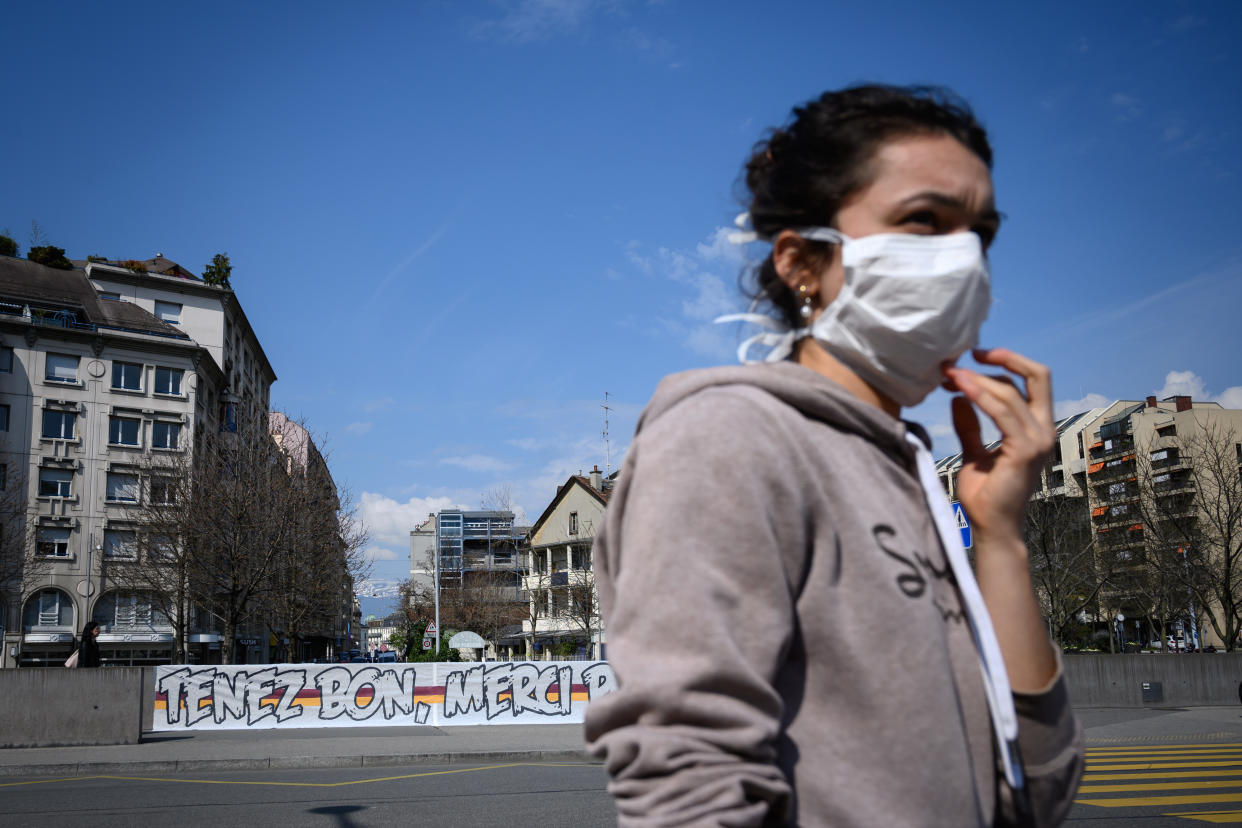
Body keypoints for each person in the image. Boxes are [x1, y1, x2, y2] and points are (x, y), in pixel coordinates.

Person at [583, 85, 1084, 826]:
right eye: (923, 221)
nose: (962, 261)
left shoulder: (908, 471)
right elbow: (687, 785)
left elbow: (1037, 791)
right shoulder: (730, 435)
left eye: (979, 234)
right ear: (802, 264)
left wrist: (1001, 536)